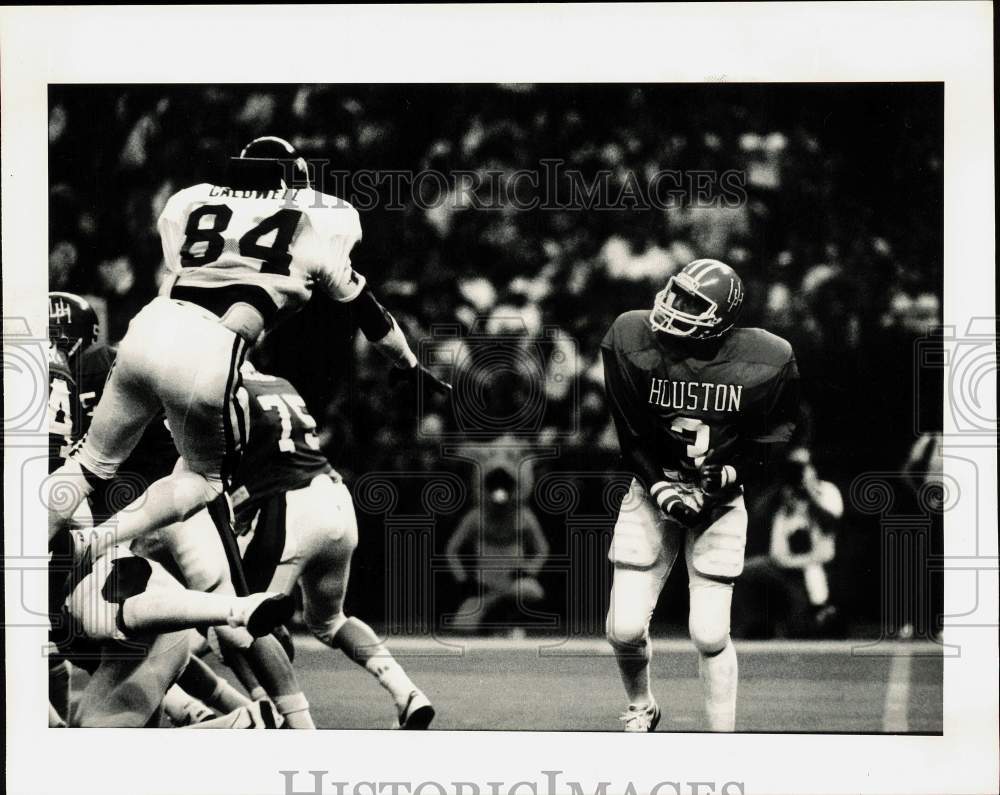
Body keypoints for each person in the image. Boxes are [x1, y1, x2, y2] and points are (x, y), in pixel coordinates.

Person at [44, 136, 450, 727]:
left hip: (149, 328)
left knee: (84, 465)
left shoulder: (187, 203)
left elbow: (192, 255)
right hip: (211, 352)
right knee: (202, 482)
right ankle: (98, 541)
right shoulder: (319, 223)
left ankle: (42, 546)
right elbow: (371, 317)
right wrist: (411, 366)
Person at [166, 362, 436, 728]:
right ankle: (405, 692)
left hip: (289, 506)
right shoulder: (280, 380)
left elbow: (216, 462)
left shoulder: (221, 389)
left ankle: (273, 710)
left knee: (240, 618)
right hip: (335, 497)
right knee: (328, 620)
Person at [600, 258, 799, 732]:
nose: (674, 305)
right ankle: (642, 705)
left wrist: (729, 476)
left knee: (710, 633)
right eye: (677, 292)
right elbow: (631, 438)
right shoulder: (632, 337)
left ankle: (720, 738)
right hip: (653, 486)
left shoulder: (765, 358)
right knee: (623, 629)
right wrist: (664, 489)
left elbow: (777, 439)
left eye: (693, 301)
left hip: (721, 499)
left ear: (721, 318)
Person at [736, 447, 843, 638]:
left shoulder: (827, 492)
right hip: (789, 566)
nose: (799, 473)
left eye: (802, 467)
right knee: (748, 570)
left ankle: (816, 618)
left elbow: (828, 538)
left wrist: (810, 496)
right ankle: (760, 624)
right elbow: (777, 551)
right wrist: (785, 500)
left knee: (802, 628)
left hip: (822, 566)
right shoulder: (786, 497)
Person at [445, 466, 549, 636]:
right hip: (484, 586)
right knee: (462, 627)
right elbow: (451, 550)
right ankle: (490, 624)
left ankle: (512, 624)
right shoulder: (475, 517)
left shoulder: (523, 516)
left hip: (514, 585)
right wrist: (463, 579)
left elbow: (542, 549)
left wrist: (528, 570)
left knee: (531, 591)